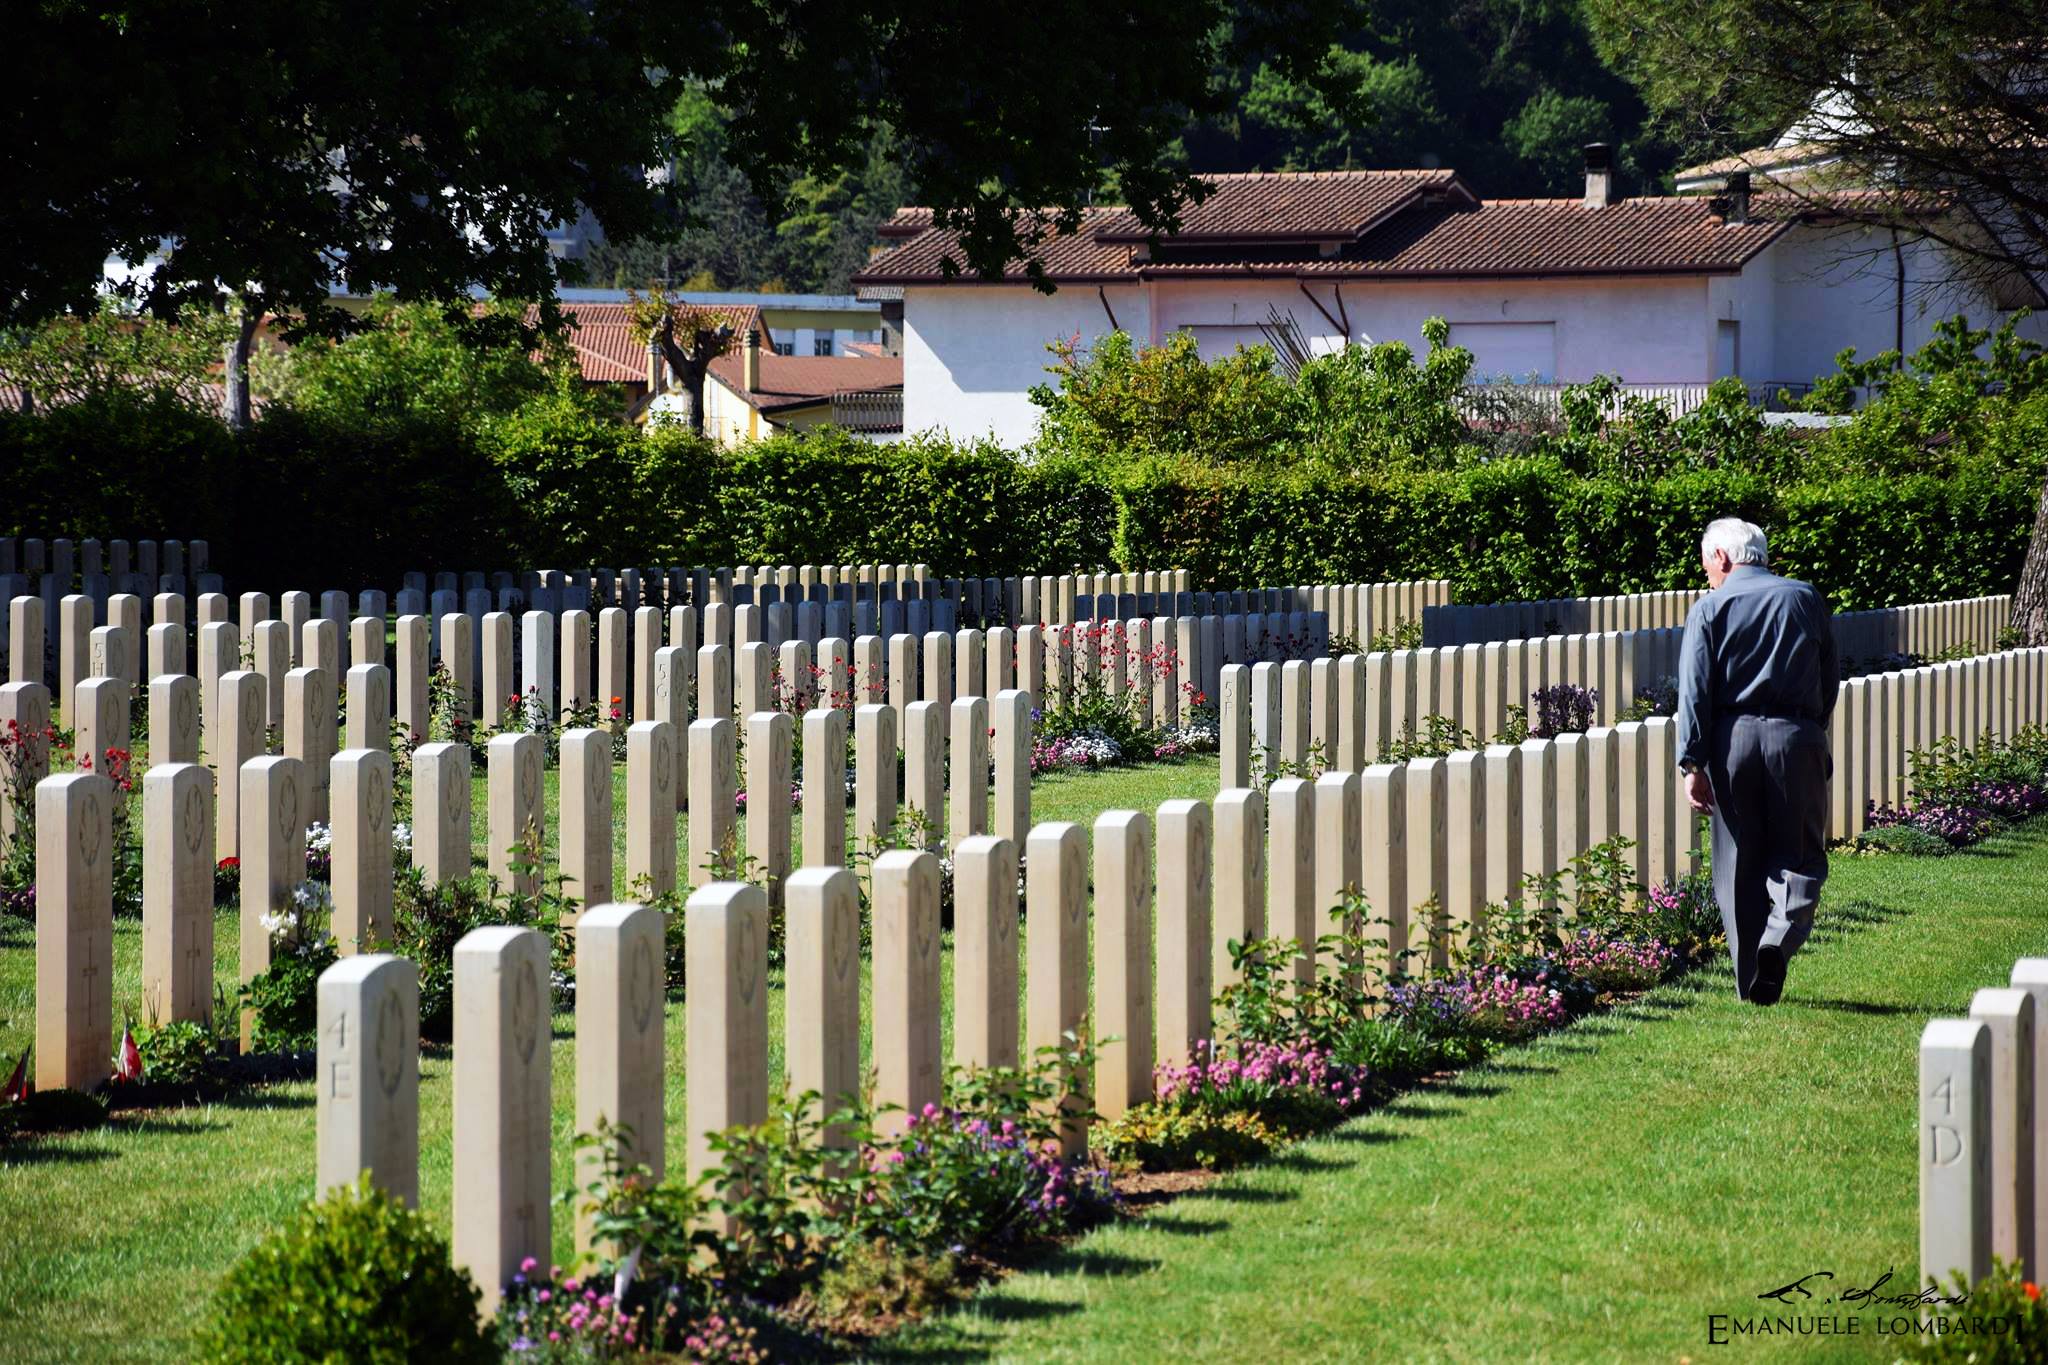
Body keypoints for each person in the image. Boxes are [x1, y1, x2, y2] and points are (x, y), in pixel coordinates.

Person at [1676, 518, 1839, 1006]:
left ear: (1722, 558)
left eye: (1707, 564)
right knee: (1801, 855)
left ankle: (1750, 980)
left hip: (1733, 741)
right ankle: (1778, 940)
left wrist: (1693, 764)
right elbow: (1827, 674)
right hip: (1796, 735)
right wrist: (1809, 731)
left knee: (1737, 864)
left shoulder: (1709, 608)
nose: (1707, 574)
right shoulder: (1805, 597)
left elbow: (1695, 690)